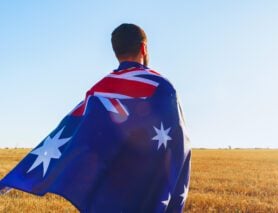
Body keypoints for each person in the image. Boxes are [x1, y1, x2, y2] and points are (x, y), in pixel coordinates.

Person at [0, 23, 191, 213]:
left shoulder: (99, 89)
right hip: (145, 190)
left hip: (111, 194)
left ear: (116, 51)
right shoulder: (161, 86)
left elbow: (69, 129)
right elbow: (179, 145)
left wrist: (20, 174)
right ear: (144, 48)